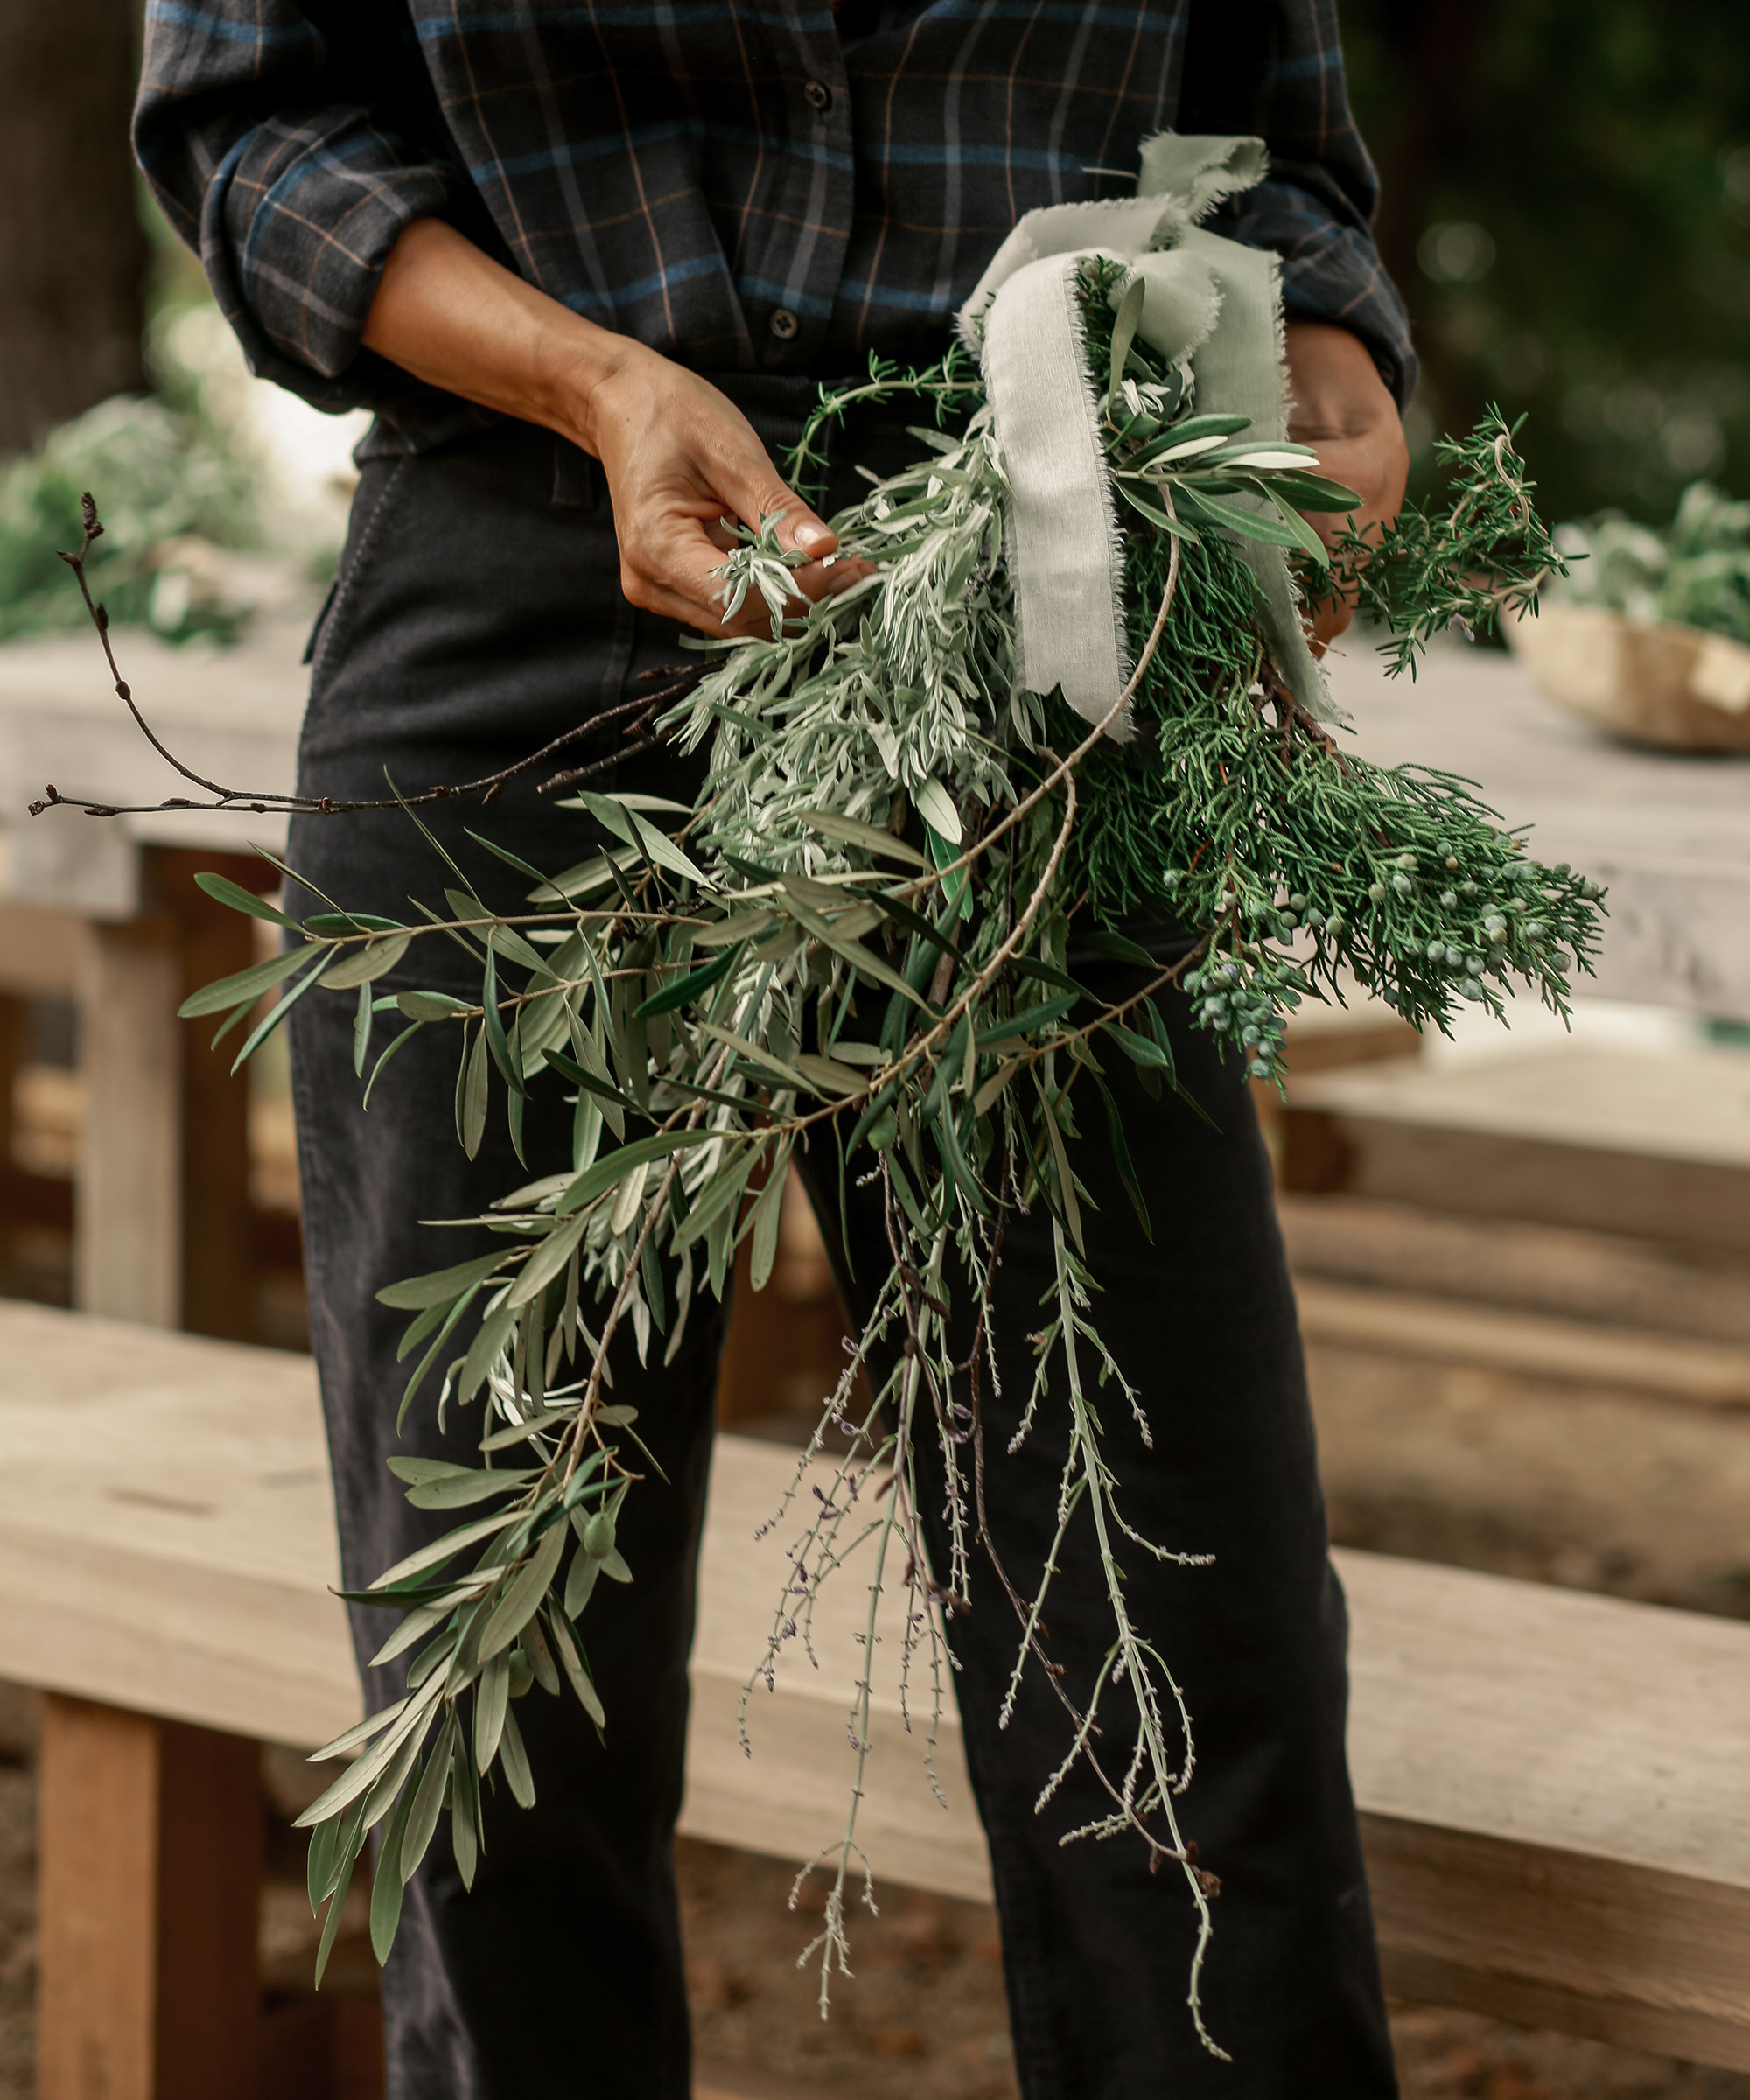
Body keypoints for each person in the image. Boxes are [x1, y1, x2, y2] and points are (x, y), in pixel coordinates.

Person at [136, 7, 1413, 2096]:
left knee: (1177, 1641)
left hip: (1041, 599)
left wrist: (1332, 374)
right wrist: (598, 378)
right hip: (529, 588)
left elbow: (1269, 142)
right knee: (509, 1697)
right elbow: (251, 131)